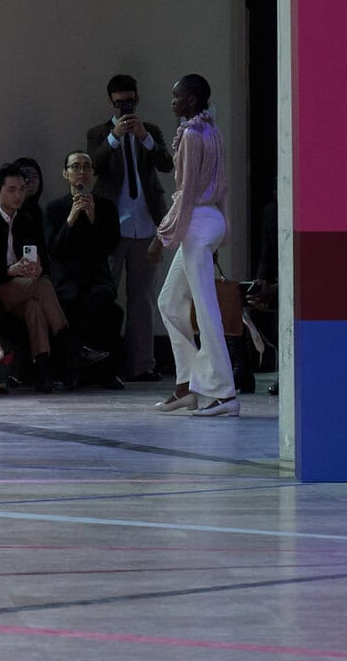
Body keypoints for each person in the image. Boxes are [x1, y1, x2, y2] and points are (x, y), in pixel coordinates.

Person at [156, 72, 237, 417]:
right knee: (170, 301)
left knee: (205, 309)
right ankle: (188, 384)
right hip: (208, 221)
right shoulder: (211, 129)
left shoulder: (192, 134)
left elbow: (187, 193)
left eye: (177, 96)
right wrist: (222, 230)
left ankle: (224, 393)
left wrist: (161, 236)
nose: (172, 102)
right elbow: (222, 186)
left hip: (196, 222)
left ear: (191, 99)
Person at [0, 162, 88, 393]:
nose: (18, 195)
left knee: (35, 306)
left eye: (22, 189)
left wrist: (36, 267)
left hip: (24, 288)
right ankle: (70, 349)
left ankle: (42, 372)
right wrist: (10, 270)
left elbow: (44, 257)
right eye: (12, 190)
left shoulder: (28, 217)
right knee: (41, 286)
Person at [86, 74, 173, 382]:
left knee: (143, 298)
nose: (126, 107)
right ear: (111, 102)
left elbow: (166, 164)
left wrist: (144, 137)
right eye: (120, 102)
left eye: (131, 101)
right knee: (104, 294)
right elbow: (92, 166)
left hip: (146, 223)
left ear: (137, 99)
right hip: (111, 226)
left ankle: (142, 365)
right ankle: (104, 365)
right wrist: (114, 137)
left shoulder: (151, 130)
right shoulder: (98, 133)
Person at [46, 150, 124, 390]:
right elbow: (53, 249)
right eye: (76, 166)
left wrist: (92, 219)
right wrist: (70, 220)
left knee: (104, 302)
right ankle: (74, 368)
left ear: (93, 173)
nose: (82, 171)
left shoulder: (106, 207)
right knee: (71, 302)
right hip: (67, 278)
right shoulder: (55, 208)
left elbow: (109, 246)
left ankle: (101, 370)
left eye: (87, 166)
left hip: (96, 276)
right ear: (65, 173)